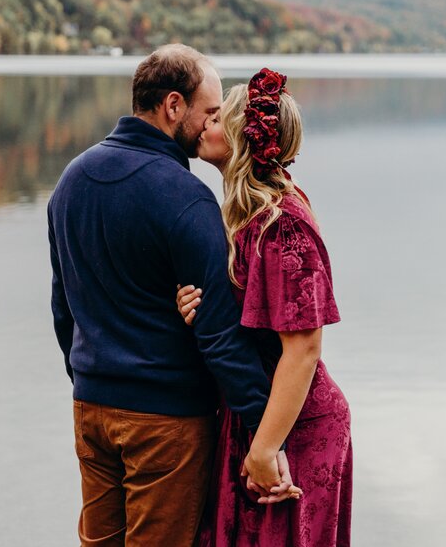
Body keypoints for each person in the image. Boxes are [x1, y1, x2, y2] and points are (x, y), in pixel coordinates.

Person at [47, 45, 299, 547]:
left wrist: (87, 377)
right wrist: (262, 434)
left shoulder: (70, 180)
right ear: (173, 106)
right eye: (208, 112)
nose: (213, 126)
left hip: (91, 408)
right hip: (165, 420)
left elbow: (63, 308)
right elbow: (220, 334)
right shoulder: (183, 197)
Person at [178, 68, 353, 547]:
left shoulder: (282, 225)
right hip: (257, 412)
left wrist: (266, 447)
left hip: (295, 423)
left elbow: (304, 348)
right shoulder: (246, 216)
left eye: (214, 117)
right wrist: (198, 306)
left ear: (239, 137)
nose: (203, 125)